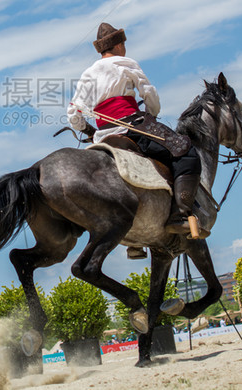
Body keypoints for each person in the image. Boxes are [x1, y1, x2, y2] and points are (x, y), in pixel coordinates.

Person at [67, 22, 204, 250]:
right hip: (133, 127)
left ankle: (134, 243)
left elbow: (73, 114)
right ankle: (180, 214)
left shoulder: (88, 73)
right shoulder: (125, 63)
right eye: (124, 44)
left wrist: (91, 133)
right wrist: (151, 114)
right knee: (185, 150)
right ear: (119, 44)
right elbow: (149, 95)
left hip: (103, 137)